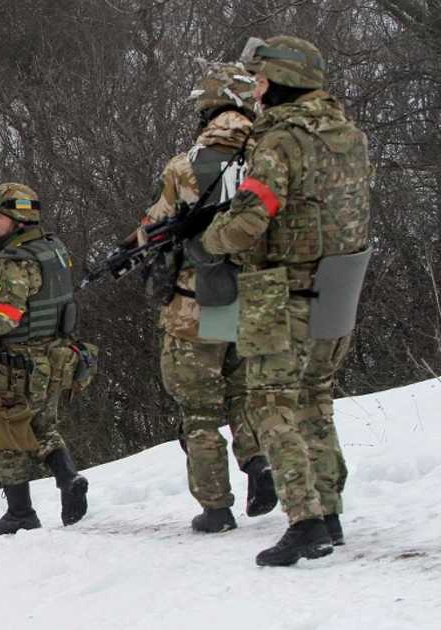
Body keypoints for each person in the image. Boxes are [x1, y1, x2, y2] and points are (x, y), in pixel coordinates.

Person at [202, 36, 371, 566]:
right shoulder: (349, 134)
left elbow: (253, 218)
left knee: (272, 401)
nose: (255, 90)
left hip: (284, 293)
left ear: (278, 80)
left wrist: (210, 239)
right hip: (339, 284)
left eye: (258, 80)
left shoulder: (279, 141)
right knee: (316, 398)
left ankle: (305, 522)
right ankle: (330, 512)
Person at [139, 62, 277, 533]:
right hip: (255, 298)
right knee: (242, 391)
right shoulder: (269, 156)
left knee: (198, 410)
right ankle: (258, 464)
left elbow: (152, 230)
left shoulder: (184, 165)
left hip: (196, 305)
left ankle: (216, 507)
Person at [0, 182, 94, 534]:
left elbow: (6, 316)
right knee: (40, 426)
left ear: (17, 219)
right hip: (55, 357)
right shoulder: (53, 249)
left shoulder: (15, 261)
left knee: (0, 433)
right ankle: (68, 478)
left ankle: (20, 513)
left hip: (17, 364)